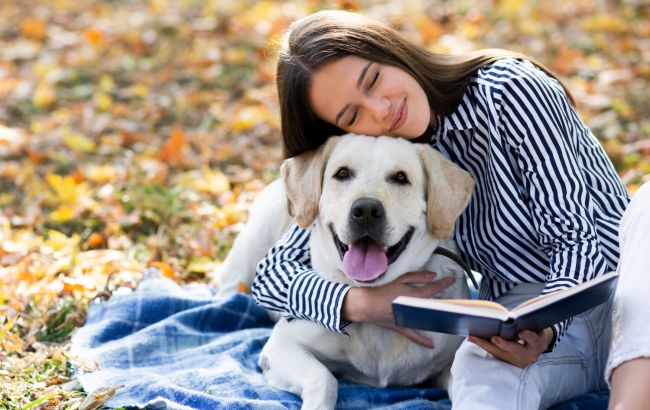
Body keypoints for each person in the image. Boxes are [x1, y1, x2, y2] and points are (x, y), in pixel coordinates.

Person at [250, 9, 649, 409]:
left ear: (391, 51)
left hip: (625, 290)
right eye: (353, 116)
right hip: (523, 320)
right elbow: (273, 274)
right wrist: (361, 304)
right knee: (477, 380)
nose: (381, 109)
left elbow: (576, 236)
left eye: (373, 79)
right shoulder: (392, 157)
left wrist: (548, 326)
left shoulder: (511, 91)